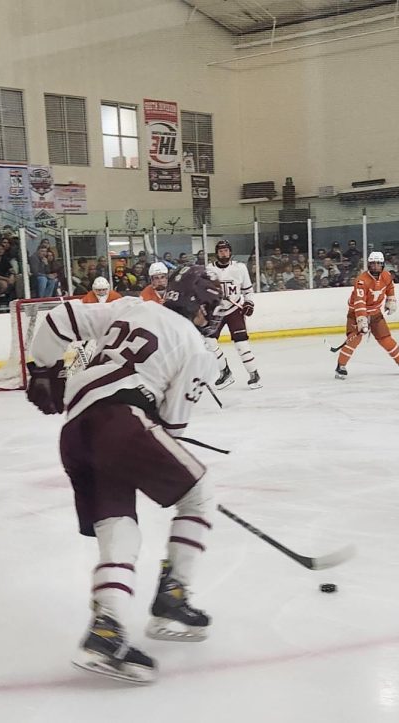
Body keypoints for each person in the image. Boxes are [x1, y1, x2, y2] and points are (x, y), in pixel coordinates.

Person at [23, 266, 224, 685]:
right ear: (197, 305)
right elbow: (172, 425)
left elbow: (56, 320)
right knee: (199, 493)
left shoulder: (130, 306)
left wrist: (43, 371)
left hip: (75, 431)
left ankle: (106, 629)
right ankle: (173, 595)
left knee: (119, 527)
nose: (211, 319)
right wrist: (155, 436)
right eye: (209, 310)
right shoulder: (196, 346)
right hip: (123, 422)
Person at [335, 251, 399, 379]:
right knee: (354, 339)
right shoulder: (361, 281)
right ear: (368, 265)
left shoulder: (386, 276)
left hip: (375, 313)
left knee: (386, 339)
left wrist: (391, 299)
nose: (375, 267)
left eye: (378, 264)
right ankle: (340, 366)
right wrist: (361, 320)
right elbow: (359, 302)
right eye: (373, 264)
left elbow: (390, 287)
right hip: (355, 313)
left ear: (383, 265)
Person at [205, 240, 260, 390]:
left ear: (230, 252)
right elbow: (204, 291)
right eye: (221, 250)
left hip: (234, 310)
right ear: (217, 253)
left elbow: (248, 290)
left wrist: (249, 303)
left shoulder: (240, 268)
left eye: (226, 250)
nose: (224, 253)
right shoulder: (209, 269)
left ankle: (254, 374)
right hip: (216, 311)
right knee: (208, 342)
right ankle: (225, 372)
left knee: (241, 344)